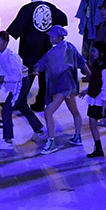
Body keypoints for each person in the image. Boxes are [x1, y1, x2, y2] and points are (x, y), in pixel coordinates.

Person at [8, 0, 63, 127]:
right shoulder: (50, 7)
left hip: (29, 48)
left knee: (26, 76)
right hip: (45, 47)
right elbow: (62, 19)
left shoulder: (27, 9)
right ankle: (40, 102)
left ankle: (19, 101)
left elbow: (15, 29)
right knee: (44, 76)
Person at [35, 25, 86, 153]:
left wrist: (33, 70)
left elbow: (40, 65)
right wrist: (91, 76)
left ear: (59, 37)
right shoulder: (70, 47)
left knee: (48, 112)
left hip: (62, 88)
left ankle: (51, 142)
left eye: (53, 37)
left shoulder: (52, 52)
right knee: (74, 111)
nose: (51, 39)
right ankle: (77, 136)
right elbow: (82, 63)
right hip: (70, 87)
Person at [0, 31, 25, 155]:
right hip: (14, 83)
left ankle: (8, 139)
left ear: (5, 43)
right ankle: (38, 128)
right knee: (23, 106)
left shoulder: (12, 57)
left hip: (20, 83)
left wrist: (4, 78)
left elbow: (17, 76)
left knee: (6, 110)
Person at [83, 46, 106, 163]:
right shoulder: (96, 67)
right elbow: (95, 82)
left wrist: (104, 105)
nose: (92, 53)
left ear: (101, 53)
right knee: (92, 123)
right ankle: (98, 148)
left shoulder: (104, 69)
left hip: (102, 101)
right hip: (94, 100)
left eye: (95, 51)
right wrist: (86, 91)